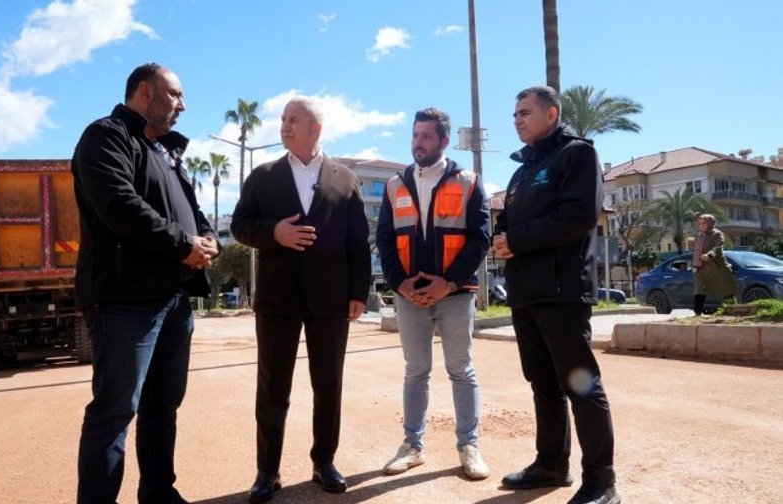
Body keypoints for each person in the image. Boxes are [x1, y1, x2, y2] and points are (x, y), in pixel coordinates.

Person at [72, 63, 219, 504]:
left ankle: (159, 493)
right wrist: (183, 245)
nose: (183, 105)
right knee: (115, 412)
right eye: (175, 94)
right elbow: (119, 205)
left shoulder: (166, 153)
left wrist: (208, 239)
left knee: (162, 408)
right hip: (124, 301)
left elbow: (193, 215)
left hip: (174, 301)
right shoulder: (107, 136)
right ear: (144, 91)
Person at [230, 97, 371, 503]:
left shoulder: (344, 179)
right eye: (283, 119)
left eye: (294, 120)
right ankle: (267, 471)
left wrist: (358, 293)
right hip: (277, 300)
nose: (284, 126)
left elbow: (357, 242)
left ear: (316, 128)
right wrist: (274, 232)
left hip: (330, 301)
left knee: (329, 385)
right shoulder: (263, 176)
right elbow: (240, 226)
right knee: (273, 388)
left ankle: (323, 461)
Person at [493, 86, 621, 504]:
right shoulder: (522, 170)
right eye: (514, 114)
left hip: (563, 291)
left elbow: (578, 215)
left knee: (581, 385)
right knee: (542, 383)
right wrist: (501, 239)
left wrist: (518, 240)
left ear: (552, 114)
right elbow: (508, 224)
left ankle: (601, 481)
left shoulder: (577, 155)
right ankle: (550, 463)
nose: (517, 119)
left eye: (525, 112)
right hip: (525, 293)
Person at [375, 108, 491, 480]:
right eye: (414, 135)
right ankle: (412, 446)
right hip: (409, 297)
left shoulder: (469, 181)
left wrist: (450, 282)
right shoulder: (396, 185)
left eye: (426, 136)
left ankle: (468, 446)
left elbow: (480, 238)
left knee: (461, 370)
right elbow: (385, 239)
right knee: (416, 371)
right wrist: (399, 283)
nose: (417, 143)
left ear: (443, 140)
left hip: (455, 295)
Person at [692, 213, 736, 315]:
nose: (701, 225)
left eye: (704, 223)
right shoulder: (700, 236)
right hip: (702, 269)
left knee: (726, 290)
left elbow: (718, 247)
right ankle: (697, 314)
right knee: (699, 290)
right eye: (700, 223)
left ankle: (733, 311)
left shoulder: (717, 234)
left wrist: (709, 255)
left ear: (711, 223)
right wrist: (695, 265)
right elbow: (696, 252)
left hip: (717, 268)